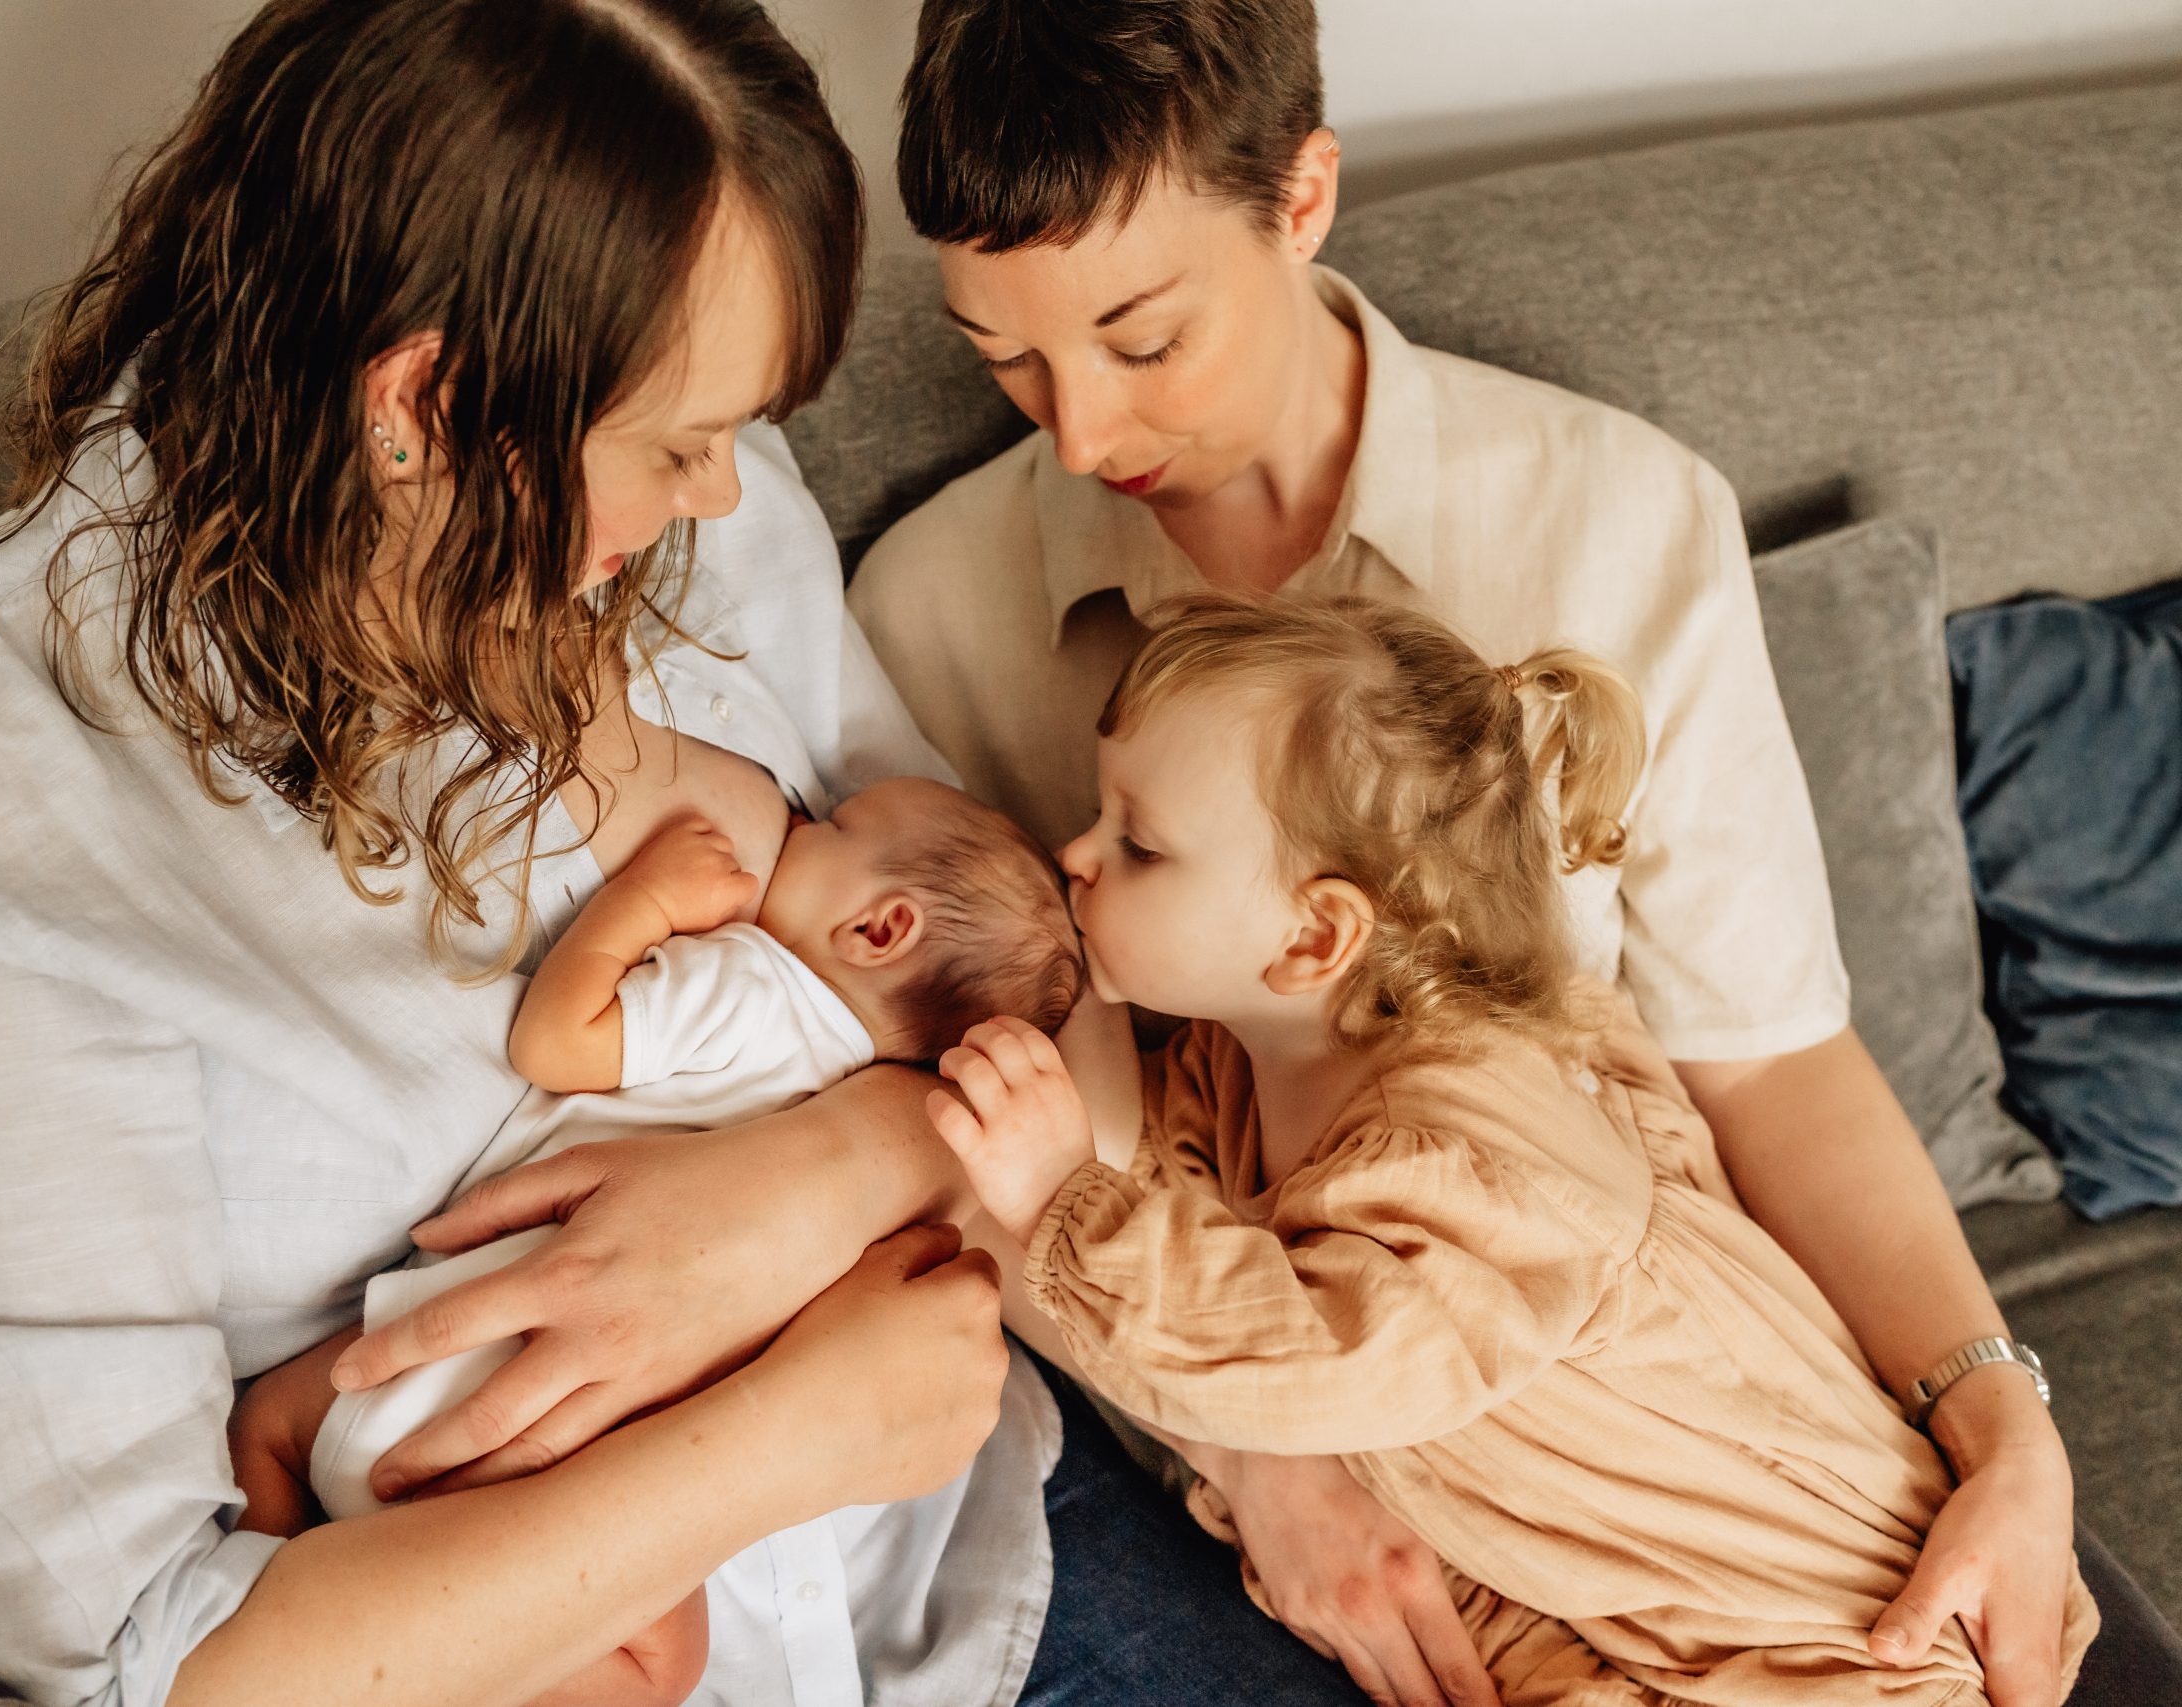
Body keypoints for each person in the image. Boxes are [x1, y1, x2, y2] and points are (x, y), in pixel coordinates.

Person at [0, 4, 1037, 1704]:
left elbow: (1014, 969)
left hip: (958, 1593)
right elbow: (134, 1668)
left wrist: (838, 1169)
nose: (726, 497)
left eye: (739, 427)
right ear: (421, 398)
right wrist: (785, 1440)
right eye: (672, 445)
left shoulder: (686, 510)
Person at [849, 2, 2093, 1703]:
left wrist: (2004, 1422)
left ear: (1302, 199)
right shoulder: (929, 607)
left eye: (1141, 340)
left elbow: (1773, 1057)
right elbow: (980, 1091)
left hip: (1712, 1493)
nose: (1074, 434)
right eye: (1003, 356)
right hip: (1263, 1446)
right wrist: (1268, 1469)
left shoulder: (1617, 515)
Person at [930, 593, 2099, 1705]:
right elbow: (1176, 1183)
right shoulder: (1242, 1061)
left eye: (1136, 844)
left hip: (1831, 1634)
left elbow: (1301, 1361)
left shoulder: (1474, 1155)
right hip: (1621, 1620)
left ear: (1315, 934)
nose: (1074, 855)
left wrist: (1062, 1202)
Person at [227, 787, 1081, 1703]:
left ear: (879, 929)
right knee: (661, 1663)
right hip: (560, 1471)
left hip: (412, 1372)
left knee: (266, 1424)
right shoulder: (857, 1091)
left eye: (824, 825)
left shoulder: (753, 987)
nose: (795, 820)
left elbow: (558, 1039)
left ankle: (274, 1567)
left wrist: (645, 901)